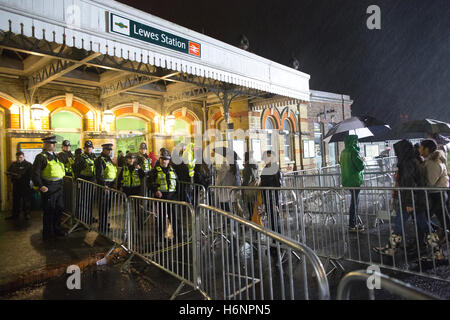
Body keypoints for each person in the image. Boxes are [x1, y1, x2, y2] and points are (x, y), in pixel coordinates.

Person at [373, 140, 444, 262]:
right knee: (421, 225)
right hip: (415, 201)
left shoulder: (408, 164)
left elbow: (410, 185)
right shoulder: (411, 162)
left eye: (397, 151)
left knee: (409, 225)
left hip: (412, 202)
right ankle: (437, 253)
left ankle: (392, 248)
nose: (396, 154)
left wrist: (409, 203)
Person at [31, 135, 67, 240]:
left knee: (59, 209)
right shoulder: (41, 157)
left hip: (59, 187)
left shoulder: (56, 156)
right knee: (49, 211)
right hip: (49, 187)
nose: (54, 145)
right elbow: (35, 173)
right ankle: (48, 233)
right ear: (45, 144)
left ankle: (57, 229)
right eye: (51, 143)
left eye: (54, 143)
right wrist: (40, 185)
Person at [419, 139, 450, 243]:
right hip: (438, 193)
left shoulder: (432, 163)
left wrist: (419, 184)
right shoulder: (432, 160)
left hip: (437, 194)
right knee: (444, 218)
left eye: (421, 147)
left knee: (423, 218)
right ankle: (442, 234)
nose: (419, 149)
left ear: (427, 149)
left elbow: (431, 182)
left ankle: (433, 239)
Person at [148, 149, 179, 241]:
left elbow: (177, 183)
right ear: (160, 159)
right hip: (160, 199)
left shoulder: (173, 170)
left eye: (166, 159)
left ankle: (178, 237)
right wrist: (155, 190)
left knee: (174, 218)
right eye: (163, 159)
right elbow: (149, 182)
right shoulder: (154, 171)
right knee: (161, 220)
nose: (164, 161)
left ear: (169, 160)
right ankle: (160, 238)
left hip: (172, 198)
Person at [340, 135, 365, 232]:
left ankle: (353, 223)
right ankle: (352, 224)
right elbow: (360, 167)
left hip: (347, 180)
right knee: (354, 203)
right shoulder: (354, 152)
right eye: (356, 140)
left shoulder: (343, 152)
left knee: (354, 202)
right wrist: (362, 161)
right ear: (353, 141)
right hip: (355, 181)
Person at [95, 143, 118, 233]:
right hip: (104, 186)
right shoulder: (100, 160)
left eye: (110, 150)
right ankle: (102, 226)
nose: (109, 151)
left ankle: (104, 223)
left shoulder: (109, 160)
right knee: (103, 207)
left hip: (110, 185)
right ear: (103, 150)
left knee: (107, 207)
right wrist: (104, 185)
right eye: (108, 150)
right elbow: (99, 175)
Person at [6, 151, 33, 220]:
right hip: (16, 184)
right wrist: (9, 174)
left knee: (26, 201)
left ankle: (27, 214)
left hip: (25, 185)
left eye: (20, 157)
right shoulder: (14, 164)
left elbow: (31, 175)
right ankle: (15, 215)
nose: (19, 159)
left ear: (23, 157)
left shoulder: (28, 164)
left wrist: (22, 176)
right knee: (16, 200)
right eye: (17, 158)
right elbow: (8, 171)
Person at [260, 150, 282, 233]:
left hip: (272, 199)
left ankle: (278, 241)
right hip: (267, 198)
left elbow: (277, 186)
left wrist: (275, 203)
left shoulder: (274, 168)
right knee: (271, 221)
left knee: (275, 221)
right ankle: (274, 241)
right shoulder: (266, 168)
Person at [242, 151, 260, 220]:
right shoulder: (255, 164)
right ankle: (255, 217)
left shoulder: (248, 166)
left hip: (249, 187)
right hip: (255, 185)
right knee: (254, 203)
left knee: (250, 204)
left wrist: (242, 186)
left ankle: (252, 218)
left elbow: (247, 179)